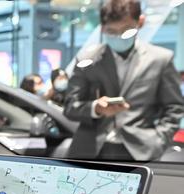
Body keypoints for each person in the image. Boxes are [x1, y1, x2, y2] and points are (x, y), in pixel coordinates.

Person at [63, 0, 184, 160]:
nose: (119, 37)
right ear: (103, 27)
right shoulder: (87, 59)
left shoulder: (160, 59)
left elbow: (174, 107)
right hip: (90, 151)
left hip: (141, 150)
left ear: (140, 22)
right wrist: (95, 108)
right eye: (111, 31)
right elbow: (70, 106)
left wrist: (158, 140)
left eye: (126, 30)